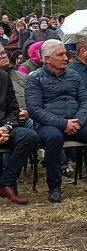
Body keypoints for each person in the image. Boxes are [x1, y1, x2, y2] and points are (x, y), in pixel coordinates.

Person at [26, 39, 87, 202]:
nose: (65, 58)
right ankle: (54, 186)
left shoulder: (73, 76)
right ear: (47, 59)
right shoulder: (35, 79)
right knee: (54, 137)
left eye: (65, 54)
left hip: (75, 123)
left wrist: (79, 121)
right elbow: (35, 110)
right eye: (60, 55)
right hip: (49, 125)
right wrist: (64, 124)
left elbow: (85, 102)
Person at [0, 69, 38, 205]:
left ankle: (6, 184)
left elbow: (13, 108)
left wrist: (7, 127)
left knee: (28, 136)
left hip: (3, 128)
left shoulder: (3, 77)